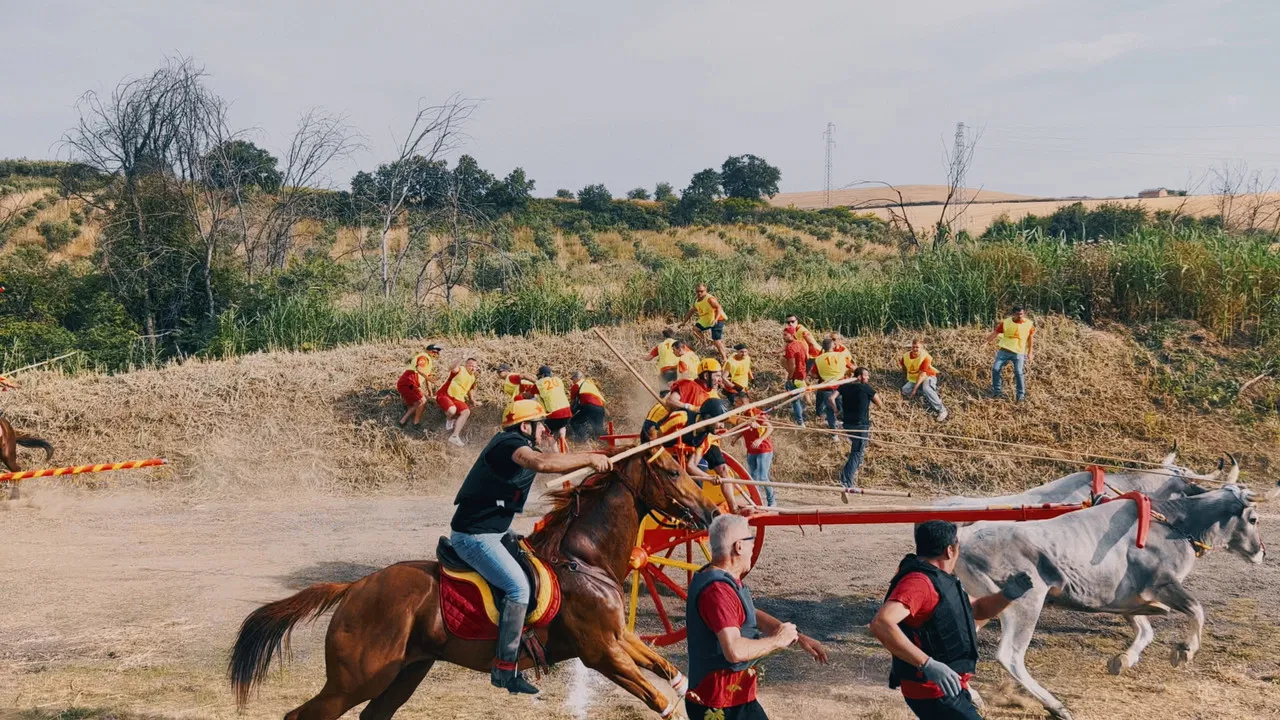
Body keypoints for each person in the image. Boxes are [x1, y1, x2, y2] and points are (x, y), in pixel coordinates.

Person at [450, 399, 614, 695]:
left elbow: (551, 459)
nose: (545, 431)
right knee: (518, 590)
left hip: (495, 532)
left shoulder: (519, 443)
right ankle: (504, 668)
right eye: (541, 426)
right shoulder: (509, 444)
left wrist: (597, 457)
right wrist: (590, 458)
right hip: (476, 536)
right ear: (525, 426)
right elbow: (542, 464)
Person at [870, 520, 1033, 720]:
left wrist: (1006, 595)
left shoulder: (940, 580)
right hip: (932, 691)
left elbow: (977, 609)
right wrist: (927, 664)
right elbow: (881, 623)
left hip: (947, 687)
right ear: (950, 550)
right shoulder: (919, 584)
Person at [685, 514, 828, 719]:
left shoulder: (722, 580)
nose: (754, 546)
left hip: (736, 699)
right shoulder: (717, 591)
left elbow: (748, 614)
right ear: (739, 547)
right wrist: (778, 641)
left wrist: (798, 637)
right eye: (751, 540)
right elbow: (734, 651)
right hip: (719, 708)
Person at [837, 367, 881, 489]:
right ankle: (846, 481)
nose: (868, 378)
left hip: (847, 424)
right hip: (861, 425)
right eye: (866, 376)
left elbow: (831, 398)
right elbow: (879, 403)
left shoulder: (844, 387)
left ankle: (848, 473)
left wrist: (837, 410)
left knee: (858, 451)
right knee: (857, 452)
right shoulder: (865, 388)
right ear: (859, 377)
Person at [731, 393, 776, 507]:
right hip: (751, 450)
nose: (734, 404)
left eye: (736, 402)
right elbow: (745, 428)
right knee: (752, 478)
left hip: (763, 450)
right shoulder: (743, 415)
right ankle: (755, 501)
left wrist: (760, 439)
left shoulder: (755, 413)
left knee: (762, 476)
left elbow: (770, 427)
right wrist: (736, 437)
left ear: (742, 402)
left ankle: (772, 501)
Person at [985, 306, 1036, 402]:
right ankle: (997, 392)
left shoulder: (1028, 324)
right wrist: (986, 342)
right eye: (1018, 314)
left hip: (1019, 352)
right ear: (1013, 314)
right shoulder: (1006, 322)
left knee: (1018, 372)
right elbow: (996, 332)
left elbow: (1030, 338)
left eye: (1022, 314)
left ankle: (1020, 395)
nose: (1020, 316)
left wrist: (1030, 352)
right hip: (1004, 350)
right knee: (995, 369)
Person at [900, 339, 948, 422]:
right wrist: (906, 378)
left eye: (917, 347)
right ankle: (928, 394)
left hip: (928, 376)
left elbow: (922, 375)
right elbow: (904, 367)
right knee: (905, 390)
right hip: (914, 378)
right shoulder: (905, 356)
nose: (915, 349)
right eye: (913, 347)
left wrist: (914, 390)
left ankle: (942, 410)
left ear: (921, 348)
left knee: (927, 388)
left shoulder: (925, 357)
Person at [437, 357, 480, 446]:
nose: (472, 368)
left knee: (466, 412)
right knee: (452, 410)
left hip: (458, 399)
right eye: (470, 365)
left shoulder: (473, 378)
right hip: (445, 395)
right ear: (466, 365)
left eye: (475, 367)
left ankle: (454, 436)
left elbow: (470, 389)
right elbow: (451, 368)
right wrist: (460, 358)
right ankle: (449, 419)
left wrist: (472, 400)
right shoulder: (460, 369)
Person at [813, 338, 852, 431]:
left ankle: (833, 432)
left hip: (826, 388)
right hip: (840, 387)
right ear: (833, 346)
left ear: (823, 348)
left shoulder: (818, 359)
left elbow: (814, 375)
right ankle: (844, 425)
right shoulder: (841, 356)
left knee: (829, 410)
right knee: (842, 405)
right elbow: (852, 367)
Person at [683, 283, 728, 359]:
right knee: (695, 329)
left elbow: (719, 308)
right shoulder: (697, 301)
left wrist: (716, 319)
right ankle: (705, 342)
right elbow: (691, 311)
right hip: (707, 319)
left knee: (716, 341)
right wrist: (683, 322)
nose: (699, 293)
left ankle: (724, 358)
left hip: (718, 319)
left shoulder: (710, 299)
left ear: (706, 291)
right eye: (697, 291)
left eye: (701, 291)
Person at [535, 365, 573, 451]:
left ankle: (556, 454)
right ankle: (565, 448)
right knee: (562, 426)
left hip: (554, 413)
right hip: (567, 411)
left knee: (549, 433)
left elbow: (530, 394)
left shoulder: (539, 383)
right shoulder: (558, 380)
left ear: (542, 375)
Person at [397, 349, 439, 427]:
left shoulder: (428, 365)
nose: (435, 353)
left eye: (437, 352)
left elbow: (428, 380)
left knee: (416, 404)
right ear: (428, 351)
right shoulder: (424, 357)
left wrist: (430, 393)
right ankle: (416, 423)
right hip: (408, 382)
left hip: (409, 383)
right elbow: (419, 369)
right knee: (422, 401)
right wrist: (428, 378)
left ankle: (402, 421)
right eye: (433, 351)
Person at [568, 370, 607, 442]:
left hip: (590, 407)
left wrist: (569, 413)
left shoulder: (576, 385)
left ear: (577, 378)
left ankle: (584, 440)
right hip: (601, 408)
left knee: (574, 422)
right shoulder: (590, 384)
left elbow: (573, 403)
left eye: (572, 379)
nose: (572, 381)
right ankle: (609, 442)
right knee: (598, 429)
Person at [782, 329, 810, 426]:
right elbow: (807, 358)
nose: (784, 337)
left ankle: (800, 422)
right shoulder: (800, 344)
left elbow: (792, 366)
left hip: (795, 377)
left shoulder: (790, 348)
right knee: (800, 397)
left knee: (795, 400)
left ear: (792, 334)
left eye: (786, 335)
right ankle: (804, 413)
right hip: (802, 375)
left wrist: (789, 378)